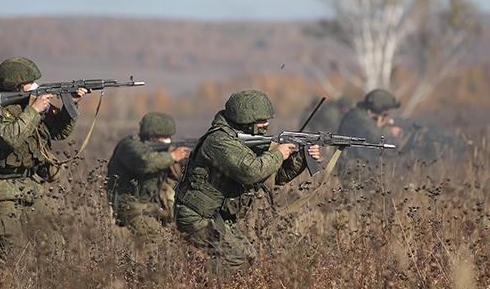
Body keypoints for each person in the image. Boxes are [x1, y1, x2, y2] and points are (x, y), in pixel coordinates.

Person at [174, 90, 321, 268]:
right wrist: (278, 154)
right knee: (235, 260)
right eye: (262, 121)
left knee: (250, 259)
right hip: (196, 216)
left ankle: (205, 288)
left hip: (216, 216)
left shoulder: (245, 141)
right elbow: (251, 171)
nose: (266, 124)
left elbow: (277, 176)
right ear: (245, 119)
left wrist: (302, 158)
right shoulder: (219, 141)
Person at [0, 57, 89, 268]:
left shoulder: (30, 101)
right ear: (16, 86)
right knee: (10, 252)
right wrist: (34, 110)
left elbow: (58, 132)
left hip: (29, 184)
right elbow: (10, 137)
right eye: (29, 82)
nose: (35, 85)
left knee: (54, 244)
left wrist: (71, 103)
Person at [106, 112, 190, 239]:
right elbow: (145, 161)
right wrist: (172, 156)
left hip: (156, 208)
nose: (166, 141)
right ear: (152, 137)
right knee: (159, 239)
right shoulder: (129, 146)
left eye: (168, 137)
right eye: (162, 138)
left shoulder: (165, 150)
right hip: (131, 208)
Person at [336, 89, 402, 175]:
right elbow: (375, 135)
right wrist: (390, 131)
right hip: (353, 168)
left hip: (360, 166)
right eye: (385, 110)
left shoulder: (360, 114)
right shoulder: (357, 116)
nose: (386, 114)